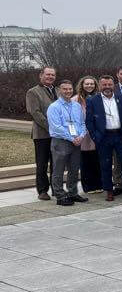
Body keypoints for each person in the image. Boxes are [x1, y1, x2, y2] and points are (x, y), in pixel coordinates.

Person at [86, 75, 122, 201]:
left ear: (114, 85)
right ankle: (109, 191)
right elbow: (89, 121)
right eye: (104, 85)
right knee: (105, 165)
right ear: (100, 85)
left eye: (109, 84)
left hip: (120, 135)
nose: (107, 87)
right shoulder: (93, 100)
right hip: (104, 137)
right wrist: (95, 136)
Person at [46, 79, 88, 206]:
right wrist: (72, 138)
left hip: (76, 141)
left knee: (74, 169)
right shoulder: (54, 107)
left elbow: (82, 123)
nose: (68, 91)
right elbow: (56, 127)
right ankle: (60, 195)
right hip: (61, 141)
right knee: (58, 170)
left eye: (70, 89)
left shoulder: (76, 106)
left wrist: (81, 136)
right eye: (65, 89)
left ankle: (72, 193)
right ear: (59, 90)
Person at [26, 66, 57, 200]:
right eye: (48, 74)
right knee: (42, 163)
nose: (50, 77)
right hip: (42, 134)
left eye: (53, 75)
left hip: (57, 135)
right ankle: (42, 190)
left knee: (57, 163)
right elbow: (35, 113)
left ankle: (57, 188)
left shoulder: (58, 91)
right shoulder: (33, 92)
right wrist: (52, 127)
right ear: (41, 75)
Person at [73, 76, 101, 193]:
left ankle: (99, 184)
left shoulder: (99, 98)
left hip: (96, 133)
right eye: (87, 84)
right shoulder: (75, 100)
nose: (89, 86)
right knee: (85, 161)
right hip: (83, 134)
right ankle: (88, 186)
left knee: (97, 160)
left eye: (92, 84)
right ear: (82, 85)